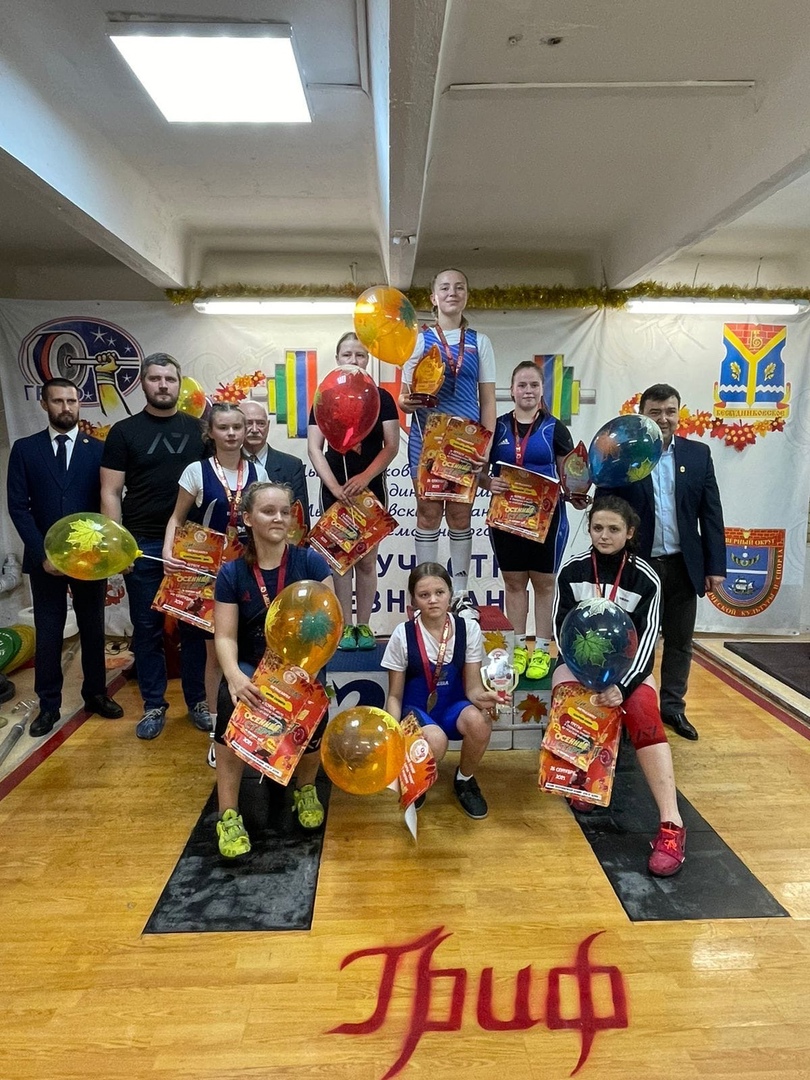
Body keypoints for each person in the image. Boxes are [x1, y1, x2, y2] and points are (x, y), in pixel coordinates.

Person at [552, 495, 686, 876]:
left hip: (630, 671)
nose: (604, 535)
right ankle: (586, 779)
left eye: (613, 529)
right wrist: (588, 678)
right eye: (597, 528)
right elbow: (560, 630)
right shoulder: (572, 571)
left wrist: (623, 687)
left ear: (629, 532)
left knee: (643, 713)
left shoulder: (647, 577)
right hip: (580, 668)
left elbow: (648, 641)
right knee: (567, 697)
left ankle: (672, 824)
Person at [596, 383, 726, 741]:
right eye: (655, 412)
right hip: (637, 567)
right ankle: (631, 708)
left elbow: (711, 514)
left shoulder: (698, 455)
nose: (664, 419)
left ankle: (672, 708)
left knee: (680, 642)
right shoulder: (624, 454)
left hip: (684, 565)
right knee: (633, 643)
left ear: (678, 413)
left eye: (670, 411)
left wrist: (715, 567)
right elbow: (605, 505)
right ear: (642, 416)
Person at [213, 481, 333, 858]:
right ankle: (228, 815)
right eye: (268, 511)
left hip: (301, 665)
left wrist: (306, 670)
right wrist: (235, 676)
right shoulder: (232, 573)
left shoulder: (310, 563)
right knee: (230, 701)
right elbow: (225, 636)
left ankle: (305, 789)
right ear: (248, 519)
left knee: (315, 709)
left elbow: (329, 626)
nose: (279, 518)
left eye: (284, 511)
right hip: (251, 663)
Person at [100, 353, 208, 740]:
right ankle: (153, 706)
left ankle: (198, 702)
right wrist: (119, 546)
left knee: (194, 630)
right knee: (147, 631)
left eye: (170, 379)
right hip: (143, 545)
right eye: (155, 378)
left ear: (180, 384)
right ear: (143, 383)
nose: (163, 385)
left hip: (192, 547)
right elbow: (110, 491)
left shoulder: (200, 430)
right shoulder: (123, 432)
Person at [7, 377, 123, 736]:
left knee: (93, 627)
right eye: (58, 401)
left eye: (71, 401)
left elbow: (108, 502)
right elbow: (18, 507)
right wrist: (44, 553)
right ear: (45, 404)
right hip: (44, 560)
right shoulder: (25, 449)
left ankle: (96, 694)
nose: (66, 408)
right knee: (48, 632)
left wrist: (104, 551)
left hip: (89, 558)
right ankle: (48, 705)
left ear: (79, 404)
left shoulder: (98, 450)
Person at [163, 403, 268, 744]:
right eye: (223, 427)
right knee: (216, 655)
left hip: (248, 573)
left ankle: (251, 725)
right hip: (209, 577)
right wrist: (168, 551)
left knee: (251, 650)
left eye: (237, 427)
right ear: (210, 433)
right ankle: (216, 728)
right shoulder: (196, 471)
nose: (232, 433)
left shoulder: (258, 472)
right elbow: (177, 518)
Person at [399, 268, 497, 619]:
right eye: (445, 287)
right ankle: (425, 591)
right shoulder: (418, 340)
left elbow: (488, 400)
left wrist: (485, 447)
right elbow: (404, 396)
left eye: (459, 287)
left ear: (466, 295)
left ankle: (461, 594)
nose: (452, 292)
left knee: (459, 514)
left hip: (465, 443)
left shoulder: (480, 342)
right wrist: (407, 402)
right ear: (434, 297)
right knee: (427, 513)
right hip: (426, 440)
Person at [483, 360, 580, 681]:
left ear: (542, 390)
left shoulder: (556, 428)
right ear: (511, 391)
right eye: (522, 385)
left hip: (547, 520)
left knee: (544, 584)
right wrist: (488, 482)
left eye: (534, 385)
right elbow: (478, 472)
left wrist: (578, 492)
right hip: (506, 519)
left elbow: (571, 476)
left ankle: (541, 648)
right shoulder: (496, 427)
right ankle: (517, 648)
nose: (528, 391)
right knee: (513, 584)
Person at [382, 562, 498, 819]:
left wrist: (486, 699)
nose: (433, 600)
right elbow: (394, 695)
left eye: (440, 593)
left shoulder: (469, 629)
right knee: (435, 741)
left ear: (451, 595)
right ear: (413, 600)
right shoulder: (403, 634)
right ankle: (416, 778)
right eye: (424, 595)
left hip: (451, 709)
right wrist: (393, 732)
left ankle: (464, 780)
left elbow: (473, 688)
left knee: (480, 722)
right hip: (416, 711)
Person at [307, 332, 400, 650]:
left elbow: (391, 446)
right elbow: (315, 448)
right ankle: (346, 626)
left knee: (367, 561)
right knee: (340, 562)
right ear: (337, 359)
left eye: (360, 355)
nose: (354, 360)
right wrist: (334, 486)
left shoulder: (382, 397)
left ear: (368, 360)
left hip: (370, 490)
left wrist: (364, 477)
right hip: (334, 491)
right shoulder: (323, 396)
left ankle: (364, 625)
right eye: (347, 355)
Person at [240, 400, 311, 531]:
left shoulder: (291, 466)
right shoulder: (228, 463)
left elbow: (300, 521)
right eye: (248, 423)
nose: (254, 430)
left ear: (268, 426)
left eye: (260, 423)